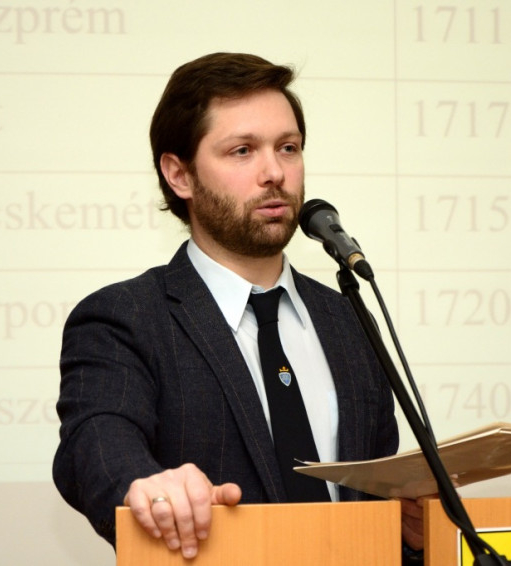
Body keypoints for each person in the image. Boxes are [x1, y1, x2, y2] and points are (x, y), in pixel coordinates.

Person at [52, 52, 424, 560]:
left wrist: (408, 529)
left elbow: (372, 500)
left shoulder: (346, 320)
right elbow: (94, 446)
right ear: (179, 175)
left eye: (288, 148)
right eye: (243, 151)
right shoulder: (125, 319)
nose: (274, 173)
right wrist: (146, 486)